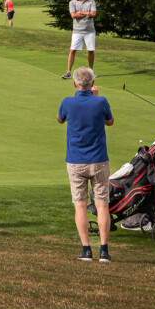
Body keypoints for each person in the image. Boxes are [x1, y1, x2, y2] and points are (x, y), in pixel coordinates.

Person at [59, 66, 114, 262]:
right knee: (102, 205)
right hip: (99, 160)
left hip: (76, 161)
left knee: (80, 206)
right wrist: (95, 97)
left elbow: (60, 119)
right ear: (92, 83)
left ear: (75, 83)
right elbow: (110, 121)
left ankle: (86, 250)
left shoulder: (67, 102)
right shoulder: (101, 101)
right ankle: (104, 251)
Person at [63, 0, 97, 79]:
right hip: (77, 30)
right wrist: (88, 14)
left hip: (89, 30)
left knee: (90, 50)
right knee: (72, 50)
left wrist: (81, 12)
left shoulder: (91, 2)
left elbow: (94, 14)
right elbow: (73, 15)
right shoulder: (72, 2)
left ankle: (91, 71)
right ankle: (68, 72)